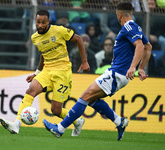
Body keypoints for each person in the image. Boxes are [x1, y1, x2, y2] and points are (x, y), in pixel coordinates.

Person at [43, 2, 152, 141]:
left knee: (85, 96)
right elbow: (148, 46)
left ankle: (59, 129)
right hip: (117, 73)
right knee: (92, 99)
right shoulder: (136, 28)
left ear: (119, 15)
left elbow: (141, 46)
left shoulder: (128, 26)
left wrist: (133, 67)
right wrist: (140, 68)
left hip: (117, 73)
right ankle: (120, 122)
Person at [0, 10, 90, 136]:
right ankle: (16, 124)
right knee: (30, 91)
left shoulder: (59, 30)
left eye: (43, 22)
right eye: (38, 22)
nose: (40, 25)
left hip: (62, 72)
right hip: (47, 70)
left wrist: (84, 61)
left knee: (56, 110)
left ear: (48, 22)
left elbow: (79, 39)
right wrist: (36, 73)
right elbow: (43, 54)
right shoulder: (35, 37)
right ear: (35, 21)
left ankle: (77, 121)